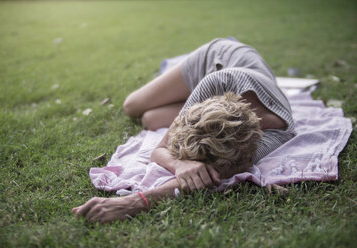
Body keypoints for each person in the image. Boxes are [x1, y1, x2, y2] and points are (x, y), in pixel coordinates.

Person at [72, 38, 296, 223]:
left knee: (150, 120)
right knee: (131, 107)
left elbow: (216, 174)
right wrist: (179, 163)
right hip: (215, 58)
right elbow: (159, 149)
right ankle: (179, 84)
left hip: (242, 80)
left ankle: (177, 93)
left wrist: (138, 201)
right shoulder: (216, 81)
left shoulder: (277, 133)